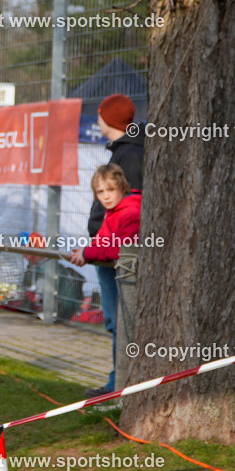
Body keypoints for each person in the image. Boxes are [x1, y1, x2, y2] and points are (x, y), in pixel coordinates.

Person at [69, 164, 141, 394]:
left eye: (111, 189)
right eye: (100, 191)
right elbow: (102, 241)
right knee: (115, 326)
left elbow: (120, 247)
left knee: (122, 327)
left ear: (122, 186)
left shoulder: (131, 210)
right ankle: (117, 380)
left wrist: (88, 253)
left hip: (124, 280)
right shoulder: (114, 211)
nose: (106, 196)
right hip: (111, 275)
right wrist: (87, 251)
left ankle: (119, 384)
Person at [87, 93, 144, 236]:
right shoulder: (122, 150)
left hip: (115, 240)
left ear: (109, 119)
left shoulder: (131, 155)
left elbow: (131, 204)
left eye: (100, 115)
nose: (98, 121)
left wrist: (103, 236)